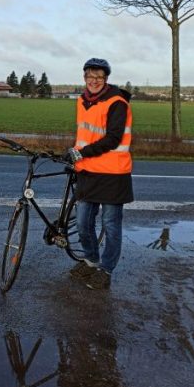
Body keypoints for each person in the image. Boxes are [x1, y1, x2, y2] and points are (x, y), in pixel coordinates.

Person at [65, 58, 133, 290]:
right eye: (90, 76)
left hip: (113, 173)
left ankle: (106, 269)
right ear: (84, 77)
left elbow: (113, 139)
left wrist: (81, 153)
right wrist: (74, 153)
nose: (94, 81)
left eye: (99, 77)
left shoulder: (117, 102)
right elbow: (85, 135)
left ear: (106, 79)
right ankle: (91, 260)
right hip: (87, 171)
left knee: (110, 225)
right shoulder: (82, 101)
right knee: (83, 223)